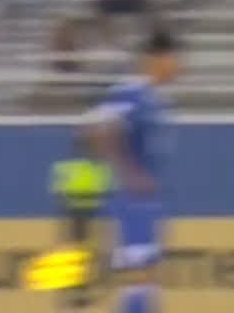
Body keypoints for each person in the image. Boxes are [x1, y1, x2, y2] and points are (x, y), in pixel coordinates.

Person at [86, 29, 180, 313]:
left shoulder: (155, 99)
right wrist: (129, 174)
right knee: (138, 274)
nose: (177, 66)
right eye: (173, 58)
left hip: (150, 201)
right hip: (133, 202)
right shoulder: (130, 92)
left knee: (147, 277)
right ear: (155, 59)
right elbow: (99, 129)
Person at [50, 134, 111, 312]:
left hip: (82, 215)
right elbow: (105, 192)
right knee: (81, 252)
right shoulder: (98, 169)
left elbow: (58, 192)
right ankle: (78, 290)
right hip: (83, 215)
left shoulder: (67, 168)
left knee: (80, 252)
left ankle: (78, 290)